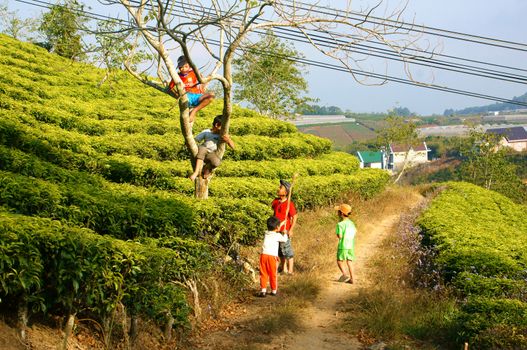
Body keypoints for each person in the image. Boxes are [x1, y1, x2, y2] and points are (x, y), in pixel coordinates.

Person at [169, 55, 215, 123]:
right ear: (178, 67)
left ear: (190, 66)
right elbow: (170, 88)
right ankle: (191, 111)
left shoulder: (193, 73)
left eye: (186, 66)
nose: (183, 69)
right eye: (181, 67)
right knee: (188, 121)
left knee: (211, 95)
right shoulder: (177, 77)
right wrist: (177, 95)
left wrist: (203, 88)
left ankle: (195, 110)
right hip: (186, 97)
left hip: (196, 96)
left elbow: (202, 80)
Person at [189, 115, 235, 182]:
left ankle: (207, 168)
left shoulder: (222, 135)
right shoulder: (206, 132)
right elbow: (196, 140)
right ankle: (196, 172)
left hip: (211, 153)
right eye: (222, 126)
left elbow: (233, 147)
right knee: (202, 149)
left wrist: (228, 140)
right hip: (202, 150)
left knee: (216, 162)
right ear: (216, 125)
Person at [271, 179, 297, 275]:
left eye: (280, 188)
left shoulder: (289, 204)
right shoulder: (276, 201)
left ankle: (290, 271)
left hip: (284, 231)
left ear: (286, 192)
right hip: (276, 231)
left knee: (287, 251)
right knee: (280, 251)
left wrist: (291, 230)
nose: (278, 189)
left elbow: (294, 216)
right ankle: (283, 268)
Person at [258, 216, 288, 297]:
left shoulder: (266, 233)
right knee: (273, 273)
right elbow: (284, 240)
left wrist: (281, 224)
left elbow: (274, 228)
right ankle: (273, 290)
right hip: (272, 257)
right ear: (277, 227)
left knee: (263, 273)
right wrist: (285, 233)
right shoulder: (277, 235)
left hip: (264, 255)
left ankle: (263, 290)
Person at [334, 203, 356, 284]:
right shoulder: (351, 223)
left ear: (342, 213)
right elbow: (354, 232)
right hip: (351, 245)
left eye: (338, 211)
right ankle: (352, 279)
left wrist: (337, 234)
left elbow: (340, 236)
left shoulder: (340, 224)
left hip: (343, 245)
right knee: (349, 261)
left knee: (339, 261)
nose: (337, 213)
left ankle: (344, 274)